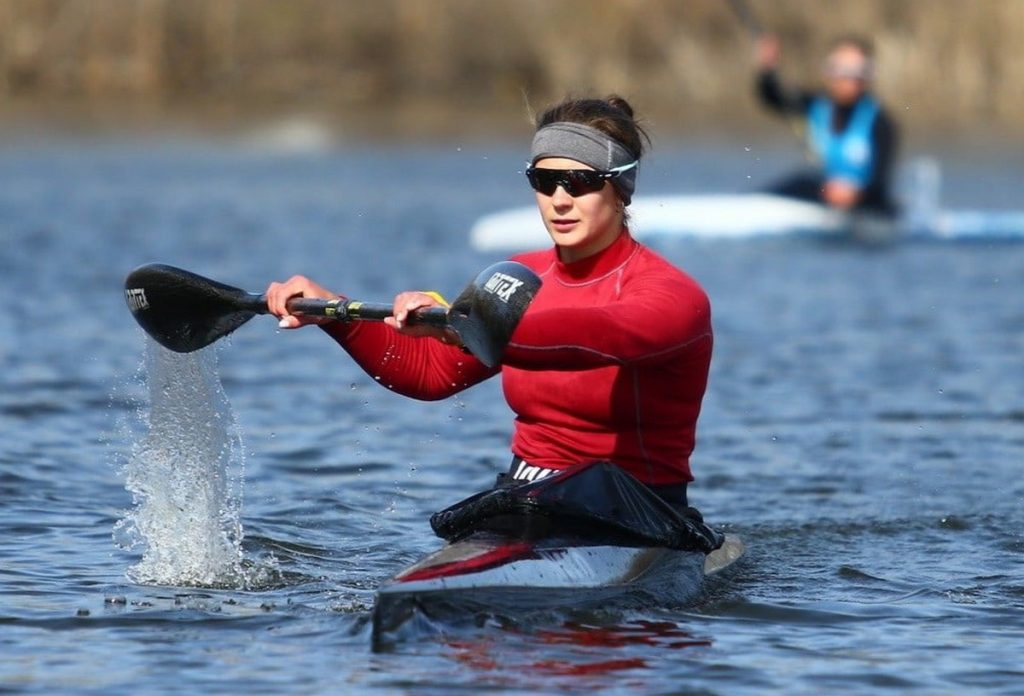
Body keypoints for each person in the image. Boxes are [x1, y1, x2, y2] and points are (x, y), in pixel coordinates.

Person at [265, 96, 712, 509]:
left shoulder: (671, 296)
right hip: (528, 493)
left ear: (620, 189)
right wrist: (332, 311)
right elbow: (431, 373)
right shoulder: (519, 276)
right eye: (545, 180)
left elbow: (597, 339)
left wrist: (457, 325)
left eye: (580, 182)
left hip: (639, 507)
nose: (559, 200)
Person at [755, 33, 899, 215]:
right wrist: (768, 69)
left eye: (856, 72)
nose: (848, 79)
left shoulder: (881, 123)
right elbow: (773, 98)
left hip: (864, 204)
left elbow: (880, 182)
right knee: (799, 182)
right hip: (824, 196)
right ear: (829, 73)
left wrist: (856, 194)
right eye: (841, 71)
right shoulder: (815, 107)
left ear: (867, 77)